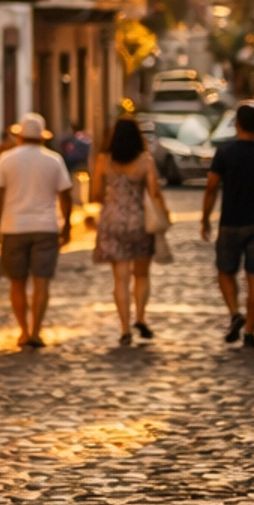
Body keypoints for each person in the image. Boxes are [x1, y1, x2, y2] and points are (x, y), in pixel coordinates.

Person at [201, 100, 254, 350]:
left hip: (231, 222)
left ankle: (234, 312)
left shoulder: (225, 154)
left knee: (225, 271)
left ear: (237, 124)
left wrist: (205, 218)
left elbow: (211, 188)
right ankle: (250, 332)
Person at [0, 111, 73, 350]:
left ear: (20, 137)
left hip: (14, 227)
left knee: (17, 282)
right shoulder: (54, 160)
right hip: (46, 227)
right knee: (42, 282)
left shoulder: (6, 159)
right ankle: (36, 330)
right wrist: (67, 225)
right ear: (42, 138)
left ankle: (23, 331)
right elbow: (65, 195)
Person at [90, 113, 166, 345]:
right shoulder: (145, 161)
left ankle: (125, 329)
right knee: (141, 274)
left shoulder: (104, 161)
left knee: (120, 279)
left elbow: (94, 193)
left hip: (112, 221)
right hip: (139, 222)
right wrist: (165, 213)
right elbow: (153, 192)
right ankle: (140, 317)